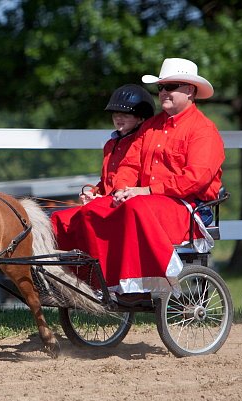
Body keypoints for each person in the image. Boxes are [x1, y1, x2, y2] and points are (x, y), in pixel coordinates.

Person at [54, 58, 225, 298]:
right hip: (151, 202)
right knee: (92, 209)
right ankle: (94, 283)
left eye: (171, 86)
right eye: (161, 87)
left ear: (189, 90)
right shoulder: (150, 127)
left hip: (189, 207)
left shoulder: (203, 130)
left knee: (134, 207)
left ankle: (140, 284)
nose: (163, 92)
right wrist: (118, 191)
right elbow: (130, 165)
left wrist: (145, 191)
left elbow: (195, 180)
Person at [51, 83, 156, 246]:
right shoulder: (110, 144)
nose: (118, 118)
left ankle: (94, 266)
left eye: (125, 115)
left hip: (125, 203)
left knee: (82, 217)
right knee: (57, 219)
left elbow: (130, 177)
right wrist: (93, 192)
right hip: (108, 201)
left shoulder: (142, 142)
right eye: (115, 114)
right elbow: (105, 180)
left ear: (141, 118)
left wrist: (105, 198)